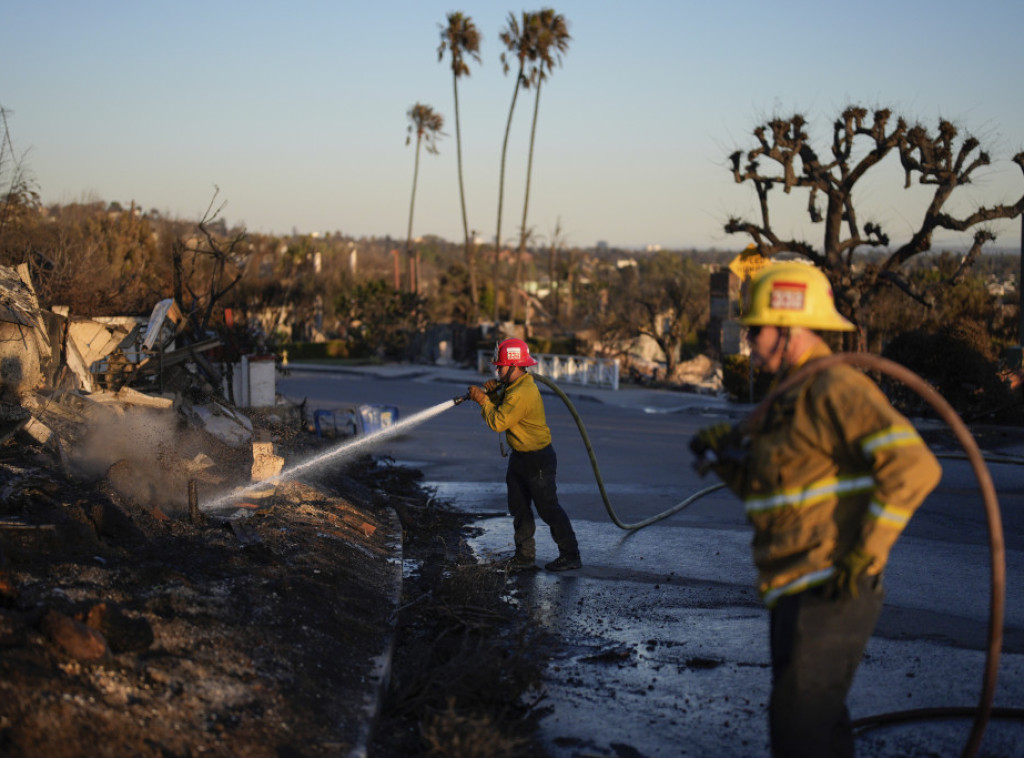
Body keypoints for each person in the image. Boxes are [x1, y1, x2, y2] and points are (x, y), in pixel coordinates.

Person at [690, 262, 942, 758]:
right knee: (817, 725)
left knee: (798, 726)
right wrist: (727, 463)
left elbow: (915, 468)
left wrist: (865, 555)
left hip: (833, 585)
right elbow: (775, 499)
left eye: (755, 330)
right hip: (793, 584)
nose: (749, 341)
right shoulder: (789, 400)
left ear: (788, 329)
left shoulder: (836, 389)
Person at [467, 338, 582, 572]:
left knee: (548, 508)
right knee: (519, 507)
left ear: (514, 366)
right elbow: (505, 408)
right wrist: (494, 395)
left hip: (538, 459)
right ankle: (524, 556)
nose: (497, 369)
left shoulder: (524, 391)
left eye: (500, 366)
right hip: (520, 457)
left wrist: (483, 400)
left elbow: (499, 421)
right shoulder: (514, 387)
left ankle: (570, 555)